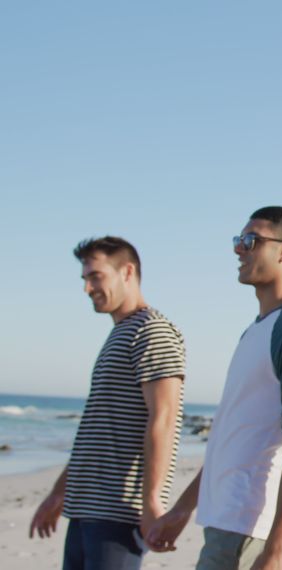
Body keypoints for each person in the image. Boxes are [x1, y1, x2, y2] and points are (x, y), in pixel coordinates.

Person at [147, 206, 282, 570]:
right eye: (238, 241)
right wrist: (184, 508)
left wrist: (276, 547)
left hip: (251, 530)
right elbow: (232, 435)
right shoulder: (258, 328)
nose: (238, 250)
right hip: (227, 522)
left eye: (251, 240)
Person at [29, 236, 186, 570]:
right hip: (87, 507)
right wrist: (60, 493)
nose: (87, 287)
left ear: (127, 272)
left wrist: (152, 501)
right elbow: (100, 430)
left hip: (119, 512)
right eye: (85, 279)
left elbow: (164, 418)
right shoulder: (121, 332)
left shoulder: (152, 330)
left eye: (95, 276)